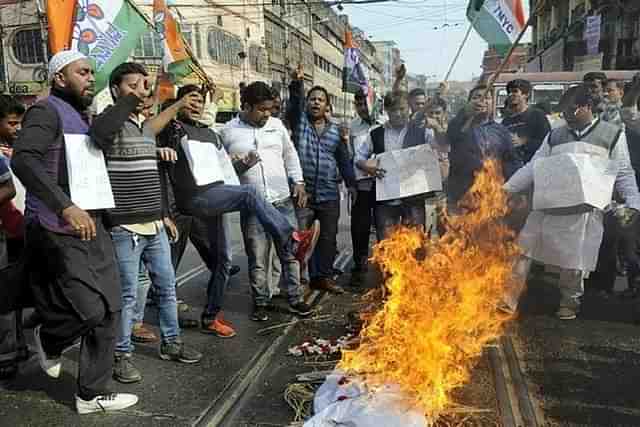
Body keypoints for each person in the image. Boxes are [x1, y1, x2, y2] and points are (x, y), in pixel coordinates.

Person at [11, 50, 138, 414]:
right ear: (59, 78)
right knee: (90, 312)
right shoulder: (45, 110)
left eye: (92, 73)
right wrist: (64, 205)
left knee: (112, 308)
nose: (90, 78)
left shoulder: (84, 116)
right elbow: (24, 159)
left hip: (93, 224)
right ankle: (46, 336)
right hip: (58, 227)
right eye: (82, 72)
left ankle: (91, 394)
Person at [158, 84, 319, 337]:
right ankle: (291, 237)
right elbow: (151, 130)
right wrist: (175, 109)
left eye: (200, 101)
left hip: (218, 196)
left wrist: (242, 166)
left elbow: (227, 175)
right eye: (190, 100)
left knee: (224, 261)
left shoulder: (211, 134)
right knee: (250, 194)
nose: (196, 105)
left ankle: (210, 317)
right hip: (193, 199)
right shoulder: (172, 128)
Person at [90, 63, 203, 384]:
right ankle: (121, 355)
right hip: (124, 228)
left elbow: (155, 127)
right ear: (115, 90)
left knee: (167, 288)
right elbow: (99, 135)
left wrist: (164, 215)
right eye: (133, 86)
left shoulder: (143, 126)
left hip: (153, 225)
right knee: (127, 295)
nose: (142, 91)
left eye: (145, 86)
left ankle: (172, 343)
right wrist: (128, 100)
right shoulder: (108, 122)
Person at [502, 85, 640, 320]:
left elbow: (623, 172)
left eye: (572, 110)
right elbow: (534, 166)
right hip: (548, 204)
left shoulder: (612, 133)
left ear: (587, 107)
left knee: (574, 261)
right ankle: (508, 299)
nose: (566, 115)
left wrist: (634, 203)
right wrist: (506, 189)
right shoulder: (555, 134)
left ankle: (569, 302)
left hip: (583, 210)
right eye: (564, 111)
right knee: (523, 251)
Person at [221, 81, 312, 321]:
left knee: (289, 252)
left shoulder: (277, 126)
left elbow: (290, 154)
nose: (267, 114)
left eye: (270, 109)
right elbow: (223, 170)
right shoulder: (228, 131)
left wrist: (299, 182)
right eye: (262, 109)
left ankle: (295, 298)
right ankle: (260, 301)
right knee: (257, 256)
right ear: (247, 106)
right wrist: (241, 164)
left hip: (282, 201)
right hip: (252, 206)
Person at [287, 65, 356, 295]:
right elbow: (293, 107)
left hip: (328, 194)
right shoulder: (299, 124)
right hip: (302, 193)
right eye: (312, 99)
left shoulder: (336, 131)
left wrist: (352, 184)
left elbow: (344, 160)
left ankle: (322, 277)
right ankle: (298, 280)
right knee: (300, 239)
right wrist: (297, 85)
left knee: (327, 239)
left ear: (328, 106)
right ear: (307, 103)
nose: (316, 103)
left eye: (321, 100)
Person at [355, 91, 440, 240]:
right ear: (387, 111)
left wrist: (438, 128)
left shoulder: (422, 131)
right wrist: (367, 167)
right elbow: (359, 157)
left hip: (414, 198)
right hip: (385, 199)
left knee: (415, 243)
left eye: (402, 109)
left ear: (408, 108)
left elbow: (441, 146)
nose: (399, 114)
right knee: (386, 245)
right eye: (394, 110)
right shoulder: (375, 134)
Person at [446, 85, 522, 209]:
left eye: (487, 98)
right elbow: (451, 134)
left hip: (492, 196)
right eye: (477, 98)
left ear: (493, 103)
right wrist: (464, 112)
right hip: (463, 197)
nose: (482, 101)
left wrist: (518, 185)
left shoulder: (501, 130)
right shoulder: (460, 126)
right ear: (469, 104)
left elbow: (511, 160)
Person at [349, 90, 378, 286]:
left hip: (385, 185)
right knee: (360, 227)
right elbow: (351, 156)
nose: (362, 108)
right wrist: (351, 184)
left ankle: (386, 266)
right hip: (362, 185)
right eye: (359, 104)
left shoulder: (385, 122)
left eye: (365, 103)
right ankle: (359, 266)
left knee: (384, 226)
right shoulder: (353, 127)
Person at [501, 79, 551, 163]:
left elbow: (548, 143)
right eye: (509, 92)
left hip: (533, 165)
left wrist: (524, 142)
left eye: (515, 91)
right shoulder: (506, 121)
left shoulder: (537, 115)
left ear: (526, 94)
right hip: (512, 168)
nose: (510, 95)